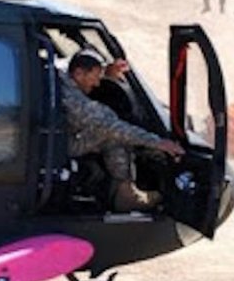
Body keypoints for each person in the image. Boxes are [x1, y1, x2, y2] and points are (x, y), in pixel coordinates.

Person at [61, 50, 185, 212]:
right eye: (95, 77)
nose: (97, 84)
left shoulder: (61, 78)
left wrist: (106, 71)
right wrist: (160, 143)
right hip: (64, 145)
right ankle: (125, 194)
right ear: (78, 73)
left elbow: (65, 63)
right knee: (115, 135)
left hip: (57, 138)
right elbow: (114, 128)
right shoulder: (74, 100)